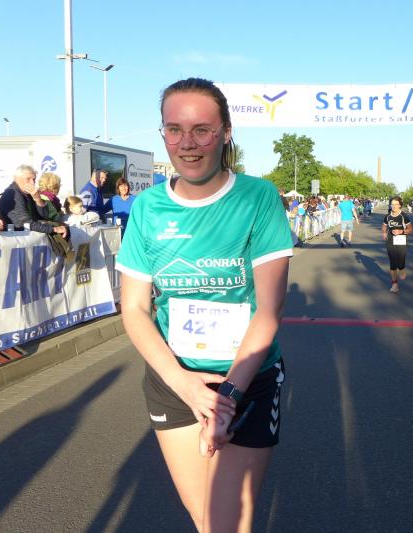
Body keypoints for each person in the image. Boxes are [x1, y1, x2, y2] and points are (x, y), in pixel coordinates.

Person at [116, 77, 293, 533]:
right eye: (174, 130)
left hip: (246, 381)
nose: (187, 143)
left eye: (202, 130)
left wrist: (226, 398)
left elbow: (269, 311)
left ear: (226, 132)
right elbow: (134, 309)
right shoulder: (147, 208)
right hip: (176, 382)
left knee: (226, 523)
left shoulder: (258, 197)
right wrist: (186, 387)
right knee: (205, 521)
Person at [0, 165, 68, 239]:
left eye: (34, 179)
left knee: (64, 228)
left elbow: (44, 216)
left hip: (23, 238)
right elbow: (24, 223)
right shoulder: (12, 195)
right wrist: (53, 229)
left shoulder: (27, 193)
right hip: (12, 239)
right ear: (17, 179)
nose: (32, 183)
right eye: (28, 179)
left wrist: (38, 199)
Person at [382, 196, 413, 293]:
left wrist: (401, 231)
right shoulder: (388, 216)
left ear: (400, 205)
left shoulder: (403, 216)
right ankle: (394, 284)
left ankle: (402, 268)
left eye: (396, 204)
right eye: (392, 204)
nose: (394, 206)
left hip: (401, 239)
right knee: (392, 262)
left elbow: (411, 229)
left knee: (400, 260)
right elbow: (384, 226)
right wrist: (384, 233)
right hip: (390, 239)